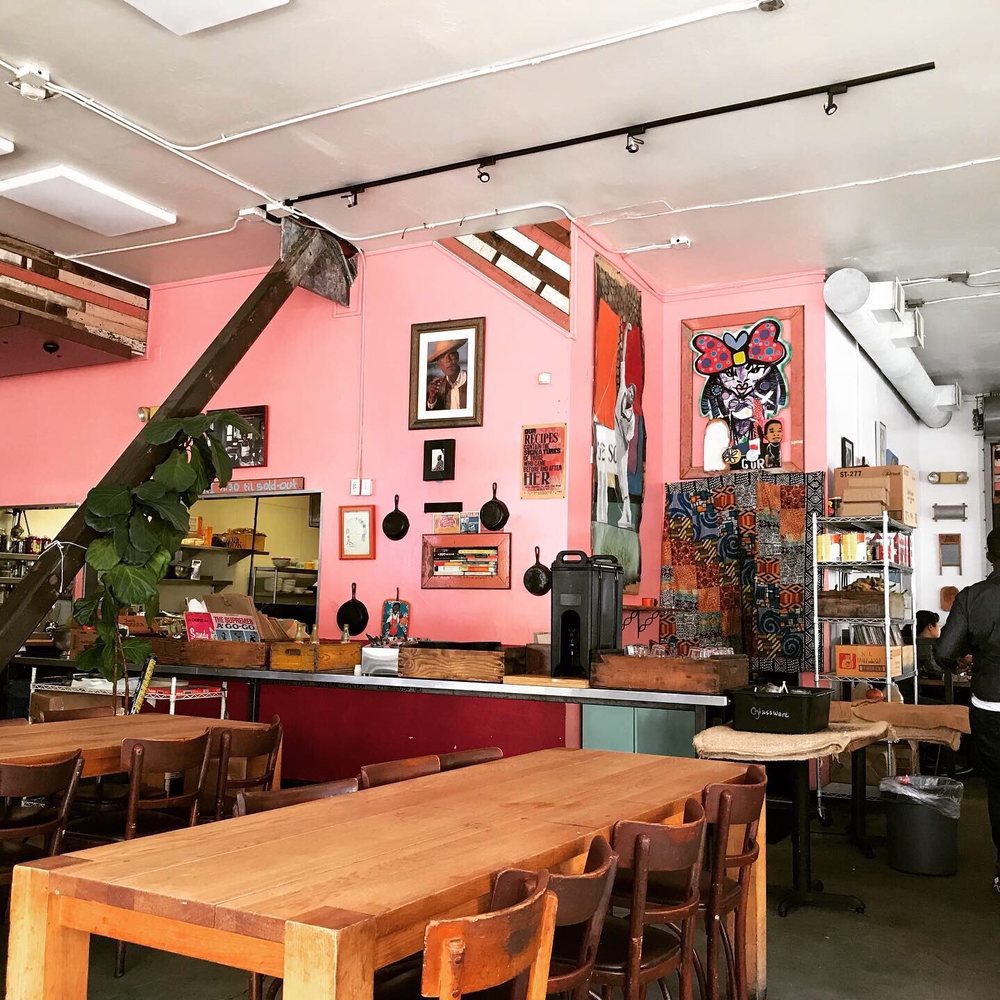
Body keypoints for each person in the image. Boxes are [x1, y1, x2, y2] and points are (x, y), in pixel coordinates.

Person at [936, 529, 1000, 896]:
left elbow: (944, 652)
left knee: (998, 786)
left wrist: (965, 661)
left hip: (990, 704)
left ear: (990, 556)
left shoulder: (972, 597)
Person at [426, 339, 468, 411]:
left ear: (457, 356)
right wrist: (432, 399)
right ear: (438, 363)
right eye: (442, 357)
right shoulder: (438, 388)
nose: (447, 360)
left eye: (451, 354)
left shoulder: (473, 380)